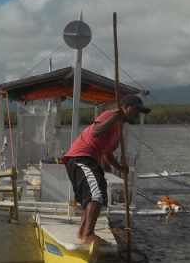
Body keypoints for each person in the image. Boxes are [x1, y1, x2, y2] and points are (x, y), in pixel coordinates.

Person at [63, 93, 151, 245]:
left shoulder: (118, 129)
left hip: (89, 159)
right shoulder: (109, 115)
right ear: (126, 107)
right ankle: (89, 234)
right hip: (81, 157)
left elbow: (107, 151)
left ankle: (82, 231)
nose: (137, 115)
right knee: (96, 194)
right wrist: (113, 118)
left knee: (93, 194)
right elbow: (95, 132)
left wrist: (118, 167)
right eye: (136, 110)